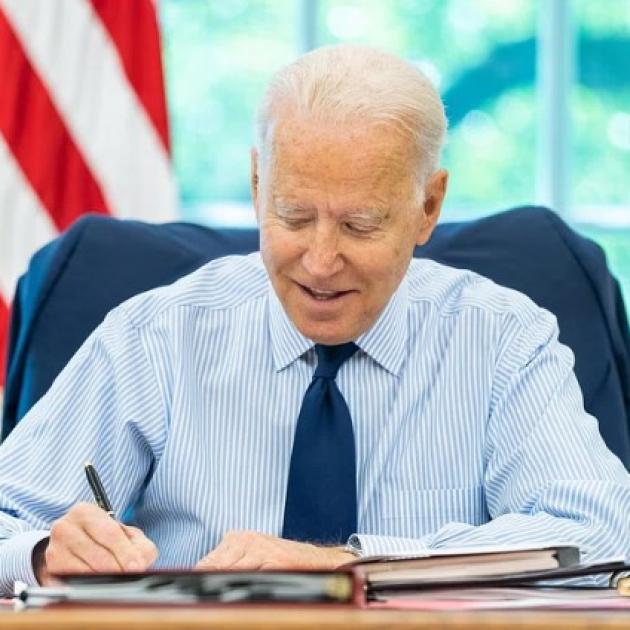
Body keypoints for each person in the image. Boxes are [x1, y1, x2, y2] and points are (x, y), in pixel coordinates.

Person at [1, 44, 629, 595]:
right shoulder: (154, 337)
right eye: (294, 217)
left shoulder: (503, 339)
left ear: (427, 208)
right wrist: (44, 554)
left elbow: (597, 531)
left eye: (360, 225)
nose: (321, 261)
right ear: (256, 184)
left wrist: (350, 566)